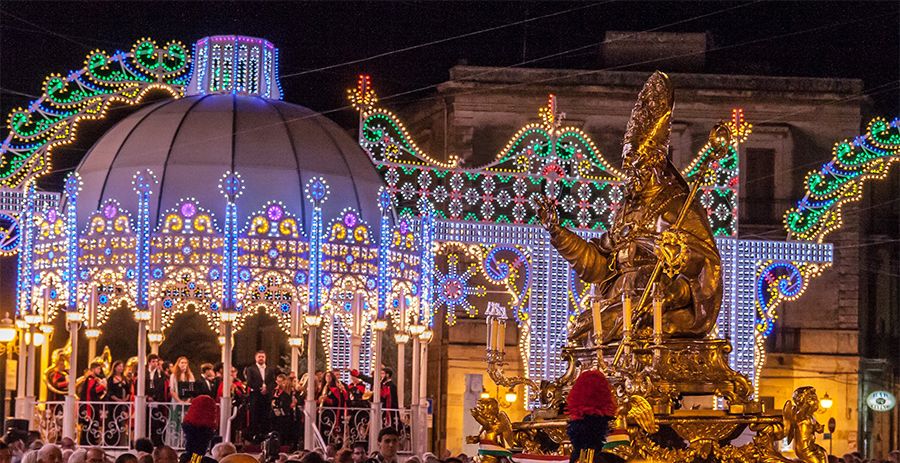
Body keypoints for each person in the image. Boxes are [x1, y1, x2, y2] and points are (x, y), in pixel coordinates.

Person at [244, 350, 277, 442]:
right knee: (255, 415)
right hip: (255, 395)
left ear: (265, 358)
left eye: (263, 356)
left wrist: (267, 389)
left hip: (267, 396)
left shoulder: (270, 369)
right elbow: (250, 382)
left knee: (266, 416)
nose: (261, 358)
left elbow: (273, 382)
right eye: (259, 356)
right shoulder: (250, 369)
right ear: (256, 358)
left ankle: (265, 436)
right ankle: (254, 437)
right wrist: (260, 388)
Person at [179, 395, 219, 463]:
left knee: (193, 449)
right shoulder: (209, 413)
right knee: (199, 449)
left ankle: (193, 460)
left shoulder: (191, 418)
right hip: (204, 429)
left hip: (192, 426)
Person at [78, 362, 107, 445]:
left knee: (92, 424)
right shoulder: (91, 379)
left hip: (92, 405)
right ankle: (88, 442)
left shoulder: (94, 379)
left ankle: (90, 441)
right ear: (93, 369)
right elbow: (91, 392)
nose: (99, 371)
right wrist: (102, 386)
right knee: (90, 424)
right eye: (98, 369)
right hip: (90, 406)